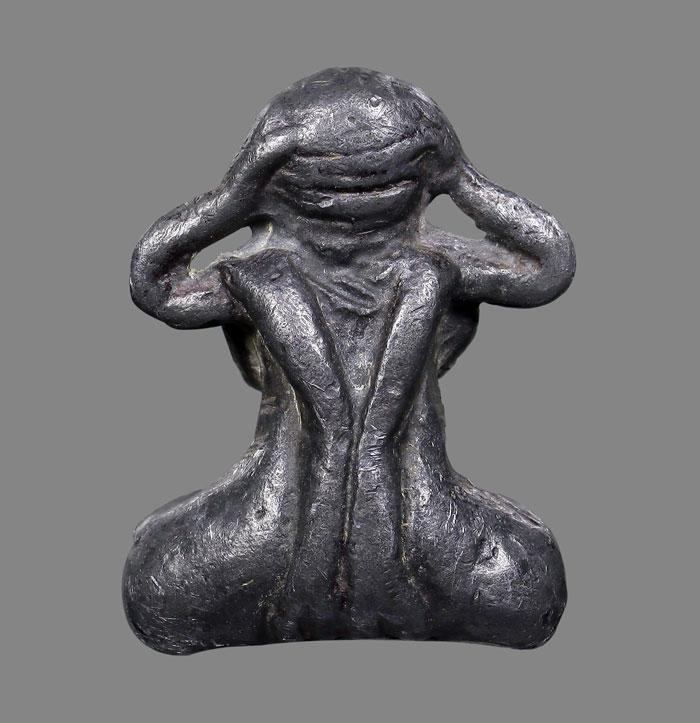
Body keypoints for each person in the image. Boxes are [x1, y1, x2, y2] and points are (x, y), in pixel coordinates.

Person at [124, 67, 575, 654]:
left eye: (381, 178)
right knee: (158, 587)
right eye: (329, 181)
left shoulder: (431, 269)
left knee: (529, 584)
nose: (355, 196)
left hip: (423, 511)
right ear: (278, 185)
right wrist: (235, 193)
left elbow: (548, 267)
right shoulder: (264, 276)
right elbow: (156, 285)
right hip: (277, 510)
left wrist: (462, 178)